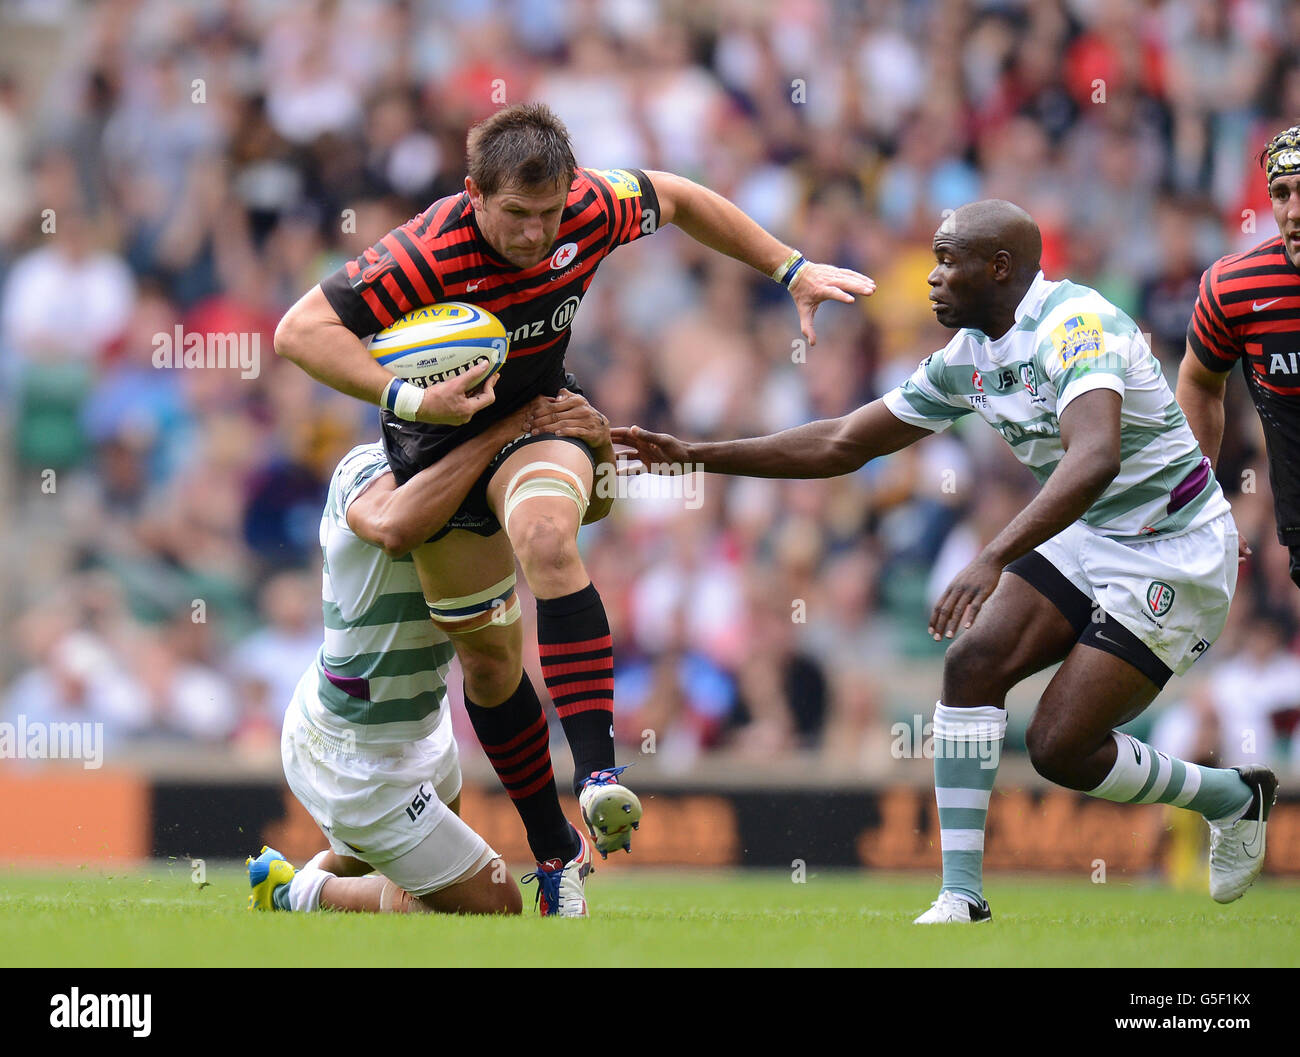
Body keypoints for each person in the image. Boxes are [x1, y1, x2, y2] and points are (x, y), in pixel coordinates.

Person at [613, 199, 1278, 922]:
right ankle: (962, 894)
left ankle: (1231, 796)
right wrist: (697, 456)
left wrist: (990, 556)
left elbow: (1094, 456)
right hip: (1092, 530)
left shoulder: (1075, 327)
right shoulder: (969, 356)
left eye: (946, 260)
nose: (929, 278)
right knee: (972, 662)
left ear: (999, 268)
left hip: (1172, 547)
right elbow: (844, 441)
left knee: (1059, 746)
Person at [274, 102, 876, 860]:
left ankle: (597, 773)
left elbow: (682, 197)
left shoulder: (592, 205)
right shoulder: (424, 253)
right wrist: (410, 397)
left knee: (547, 537)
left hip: (541, 420)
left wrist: (791, 267)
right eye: (517, 215)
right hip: (435, 446)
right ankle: (555, 853)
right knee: (491, 664)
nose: (535, 234)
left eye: (548, 213)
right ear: (474, 194)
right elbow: (298, 331)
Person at [249, 385, 615, 918]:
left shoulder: (483, 475)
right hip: (352, 753)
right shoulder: (364, 466)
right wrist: (500, 433)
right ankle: (294, 894)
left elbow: (585, 511)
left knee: (378, 865)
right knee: (490, 904)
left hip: (422, 728)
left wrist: (595, 444)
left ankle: (293, 877)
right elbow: (393, 528)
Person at [1178, 124, 1300, 586]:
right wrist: (1200, 502)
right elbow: (1199, 384)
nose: (1294, 212)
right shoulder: (1236, 289)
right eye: (1282, 193)